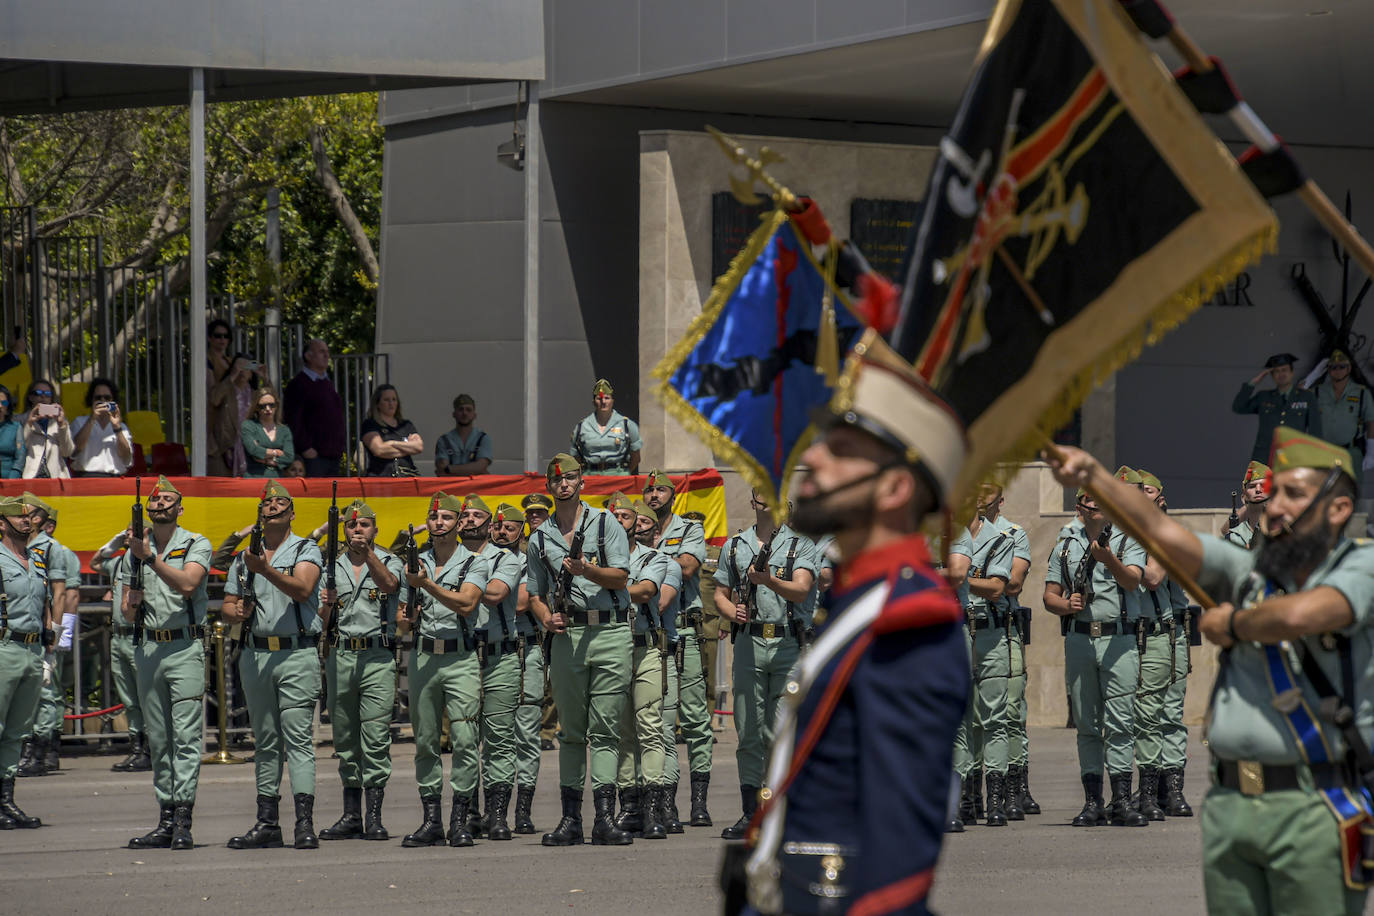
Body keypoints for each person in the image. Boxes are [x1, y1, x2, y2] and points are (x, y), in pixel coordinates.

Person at [1046, 428, 1374, 916]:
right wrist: (1093, 475)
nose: (1275, 506)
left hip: (1314, 807)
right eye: (1274, 493)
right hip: (1233, 806)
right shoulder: (1250, 570)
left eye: (1294, 494)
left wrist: (1237, 622)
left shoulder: (1361, 564)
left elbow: (1307, 614)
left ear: (1339, 508)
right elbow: (1161, 533)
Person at [732, 328, 970, 916]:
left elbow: (898, 870)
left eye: (840, 448)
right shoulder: (860, 602)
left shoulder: (905, 624)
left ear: (894, 487)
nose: (810, 458)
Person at [525, 453, 634, 846]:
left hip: (609, 634)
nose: (564, 485)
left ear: (582, 482)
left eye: (571, 478)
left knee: (605, 729)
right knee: (571, 732)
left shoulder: (606, 523)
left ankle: (604, 818)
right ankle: (571, 819)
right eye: (557, 480)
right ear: (549, 487)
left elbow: (621, 578)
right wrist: (543, 616)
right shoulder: (539, 537)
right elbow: (534, 592)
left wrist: (588, 570)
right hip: (568, 636)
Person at [221, 480, 325, 850]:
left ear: (291, 513)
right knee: (265, 741)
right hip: (256, 653)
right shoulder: (245, 555)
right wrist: (236, 609)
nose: (272, 508)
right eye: (267, 504)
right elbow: (228, 603)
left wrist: (264, 570)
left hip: (296, 653)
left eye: (280, 504)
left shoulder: (306, 549)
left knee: (298, 740)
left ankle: (304, 823)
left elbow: (303, 589)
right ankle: (267, 822)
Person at [1043, 470, 1149, 828]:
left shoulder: (1128, 537)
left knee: (1121, 720)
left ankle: (1122, 800)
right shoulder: (1066, 542)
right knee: (1087, 723)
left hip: (1119, 639)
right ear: (1081, 507)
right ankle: (1093, 801)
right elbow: (1048, 596)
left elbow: (1133, 580)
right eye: (1092, 502)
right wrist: (1064, 605)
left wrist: (1108, 560)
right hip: (1080, 638)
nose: (1098, 507)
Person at [714, 489, 818, 840]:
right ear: (753, 500)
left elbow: (801, 590)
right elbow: (720, 593)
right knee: (748, 731)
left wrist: (769, 580)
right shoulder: (735, 545)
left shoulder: (800, 545)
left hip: (788, 642)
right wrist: (732, 611)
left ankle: (780, 811)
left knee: (781, 731)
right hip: (748, 642)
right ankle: (750, 812)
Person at [122, 477, 212, 850]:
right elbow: (128, 611)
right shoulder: (135, 550)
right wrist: (132, 601)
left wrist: (150, 558)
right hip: (148, 649)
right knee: (158, 739)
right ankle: (165, 816)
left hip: (183, 648)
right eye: (155, 499)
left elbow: (189, 584)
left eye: (168, 499)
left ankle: (184, 821)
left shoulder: (195, 543)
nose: (160, 503)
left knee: (186, 737)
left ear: (180, 507)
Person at [397, 491, 489, 848]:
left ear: (460, 522)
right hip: (423, 656)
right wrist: (405, 616)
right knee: (425, 741)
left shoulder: (473, 562)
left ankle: (461, 819)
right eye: (434, 518)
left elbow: (467, 603)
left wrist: (429, 585)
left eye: (447, 518)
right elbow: (403, 620)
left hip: (460, 657)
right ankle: (431, 819)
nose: (439, 523)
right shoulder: (415, 561)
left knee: (466, 740)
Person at [318, 499, 402, 842]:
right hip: (341, 655)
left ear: (374, 529)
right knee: (346, 737)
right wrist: (326, 605)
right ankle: (352, 814)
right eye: (351, 526)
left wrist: (368, 554)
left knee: (376, 737)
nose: (357, 530)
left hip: (377, 657)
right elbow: (321, 622)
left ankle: (374, 816)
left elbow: (391, 586)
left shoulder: (388, 560)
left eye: (364, 525)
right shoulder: (330, 565)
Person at [642, 469, 712, 829]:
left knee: (697, 720)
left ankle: (699, 802)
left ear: (672, 495)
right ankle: (666, 803)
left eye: (660, 490)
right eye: (649, 491)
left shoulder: (689, 529)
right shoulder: (635, 532)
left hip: (685, 629)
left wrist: (649, 559)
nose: (654, 495)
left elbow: (686, 567)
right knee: (663, 722)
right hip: (655, 633)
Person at [947, 499, 1018, 827]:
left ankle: (996, 801)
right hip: (959, 629)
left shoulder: (1001, 538)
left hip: (989, 635)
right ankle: (965, 798)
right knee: (961, 721)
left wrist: (956, 578)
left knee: (994, 719)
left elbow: (997, 588)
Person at [610, 495, 676, 841]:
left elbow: (648, 591)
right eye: (614, 515)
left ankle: (654, 809)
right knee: (622, 732)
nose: (619, 520)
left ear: (637, 523)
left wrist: (606, 582)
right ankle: (630, 805)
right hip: (613, 649)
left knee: (649, 727)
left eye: (625, 515)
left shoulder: (654, 557)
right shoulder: (599, 560)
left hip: (646, 648)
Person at [459, 493, 521, 840]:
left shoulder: (506, 558)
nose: (469, 521)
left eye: (476, 516)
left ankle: (497, 815)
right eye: (464, 516)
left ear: (489, 524)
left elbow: (495, 593)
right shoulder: (445, 559)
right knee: (465, 738)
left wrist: (455, 584)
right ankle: (469, 811)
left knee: (498, 739)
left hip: (498, 654)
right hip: (462, 654)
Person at [1134, 469, 1194, 820]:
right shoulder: (1127, 534)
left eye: (1148, 491)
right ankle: (1149, 788)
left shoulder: (1167, 534)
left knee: (1171, 713)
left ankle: (1172, 789)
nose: (1142, 495)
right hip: (1140, 633)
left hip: (1169, 632)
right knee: (1146, 715)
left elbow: (1155, 577)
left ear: (1161, 498)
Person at [977, 483, 1038, 816]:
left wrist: (973, 577)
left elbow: (1012, 584)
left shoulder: (1012, 534)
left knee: (1011, 709)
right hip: (974, 629)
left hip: (1005, 628)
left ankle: (1017, 786)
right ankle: (980, 790)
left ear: (999, 501)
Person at [488, 501, 543, 835]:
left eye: (509, 525)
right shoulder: (481, 560)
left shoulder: (528, 561)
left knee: (525, 731)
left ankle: (523, 809)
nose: (502, 530)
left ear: (522, 529)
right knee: (492, 735)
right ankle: (492, 809)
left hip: (523, 650)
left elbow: (522, 602)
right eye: (497, 525)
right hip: (489, 650)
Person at [17, 497, 78, 777]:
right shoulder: (16, 548)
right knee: (31, 691)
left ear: (39, 520)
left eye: (27, 513)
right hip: (23, 629)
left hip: (46, 630)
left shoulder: (53, 549)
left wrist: (59, 630)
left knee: (47, 691)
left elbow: (65, 593)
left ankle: (43, 750)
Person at [0, 495, 51, 830]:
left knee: (17, 732)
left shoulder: (36, 559)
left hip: (32, 652)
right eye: (16, 517)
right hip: (4, 648)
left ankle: (6, 799)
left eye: (28, 517)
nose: (25, 520)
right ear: (2, 523)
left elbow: (44, 602)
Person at [93, 529, 149, 773]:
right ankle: (137, 749)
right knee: (129, 699)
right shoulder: (118, 562)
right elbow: (96, 563)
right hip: (119, 638)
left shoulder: (147, 562)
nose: (128, 535)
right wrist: (112, 543)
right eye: (126, 532)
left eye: (134, 532)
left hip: (140, 636)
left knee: (145, 697)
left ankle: (149, 749)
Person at [522, 492, 560, 753]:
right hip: (529, 617)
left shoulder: (557, 541)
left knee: (553, 675)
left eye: (540, 512)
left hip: (555, 612)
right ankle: (527, 728)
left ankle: (546, 730)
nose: (534, 516)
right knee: (529, 676)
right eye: (531, 513)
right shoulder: (520, 545)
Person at [1232, 353, 1319, 463]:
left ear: (1292, 373)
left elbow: (1315, 432)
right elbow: (1238, 407)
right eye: (1276, 371)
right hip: (1262, 458)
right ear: (1272, 376)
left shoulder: (1306, 397)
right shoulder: (1263, 396)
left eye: (1284, 370)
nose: (1281, 374)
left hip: (1294, 459)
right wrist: (1252, 383)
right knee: (1256, 481)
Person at [284, 339, 346, 478]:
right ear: (308, 356)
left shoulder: (327, 383)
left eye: (327, 352)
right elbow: (293, 420)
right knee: (314, 498)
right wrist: (306, 448)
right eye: (321, 352)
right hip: (314, 458)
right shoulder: (298, 384)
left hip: (333, 456)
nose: (326, 355)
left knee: (332, 498)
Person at [1309, 349, 1373, 474]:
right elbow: (1295, 398)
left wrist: (1371, 451)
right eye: (1333, 367)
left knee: (1350, 491)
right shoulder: (1317, 391)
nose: (1337, 370)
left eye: (1342, 366)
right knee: (1324, 491)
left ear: (1348, 369)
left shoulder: (1361, 392)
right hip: (1323, 451)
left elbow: (1371, 421)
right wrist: (1313, 375)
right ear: (1328, 369)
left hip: (1351, 451)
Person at [569, 379, 641, 476]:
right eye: (599, 398)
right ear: (594, 402)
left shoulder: (627, 425)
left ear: (612, 401)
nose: (603, 402)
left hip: (618, 475)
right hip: (590, 476)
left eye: (607, 398)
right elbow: (575, 457)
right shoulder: (582, 426)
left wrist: (624, 473)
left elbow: (636, 457)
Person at [69, 377, 133, 476]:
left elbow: (126, 457)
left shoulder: (122, 427)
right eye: (98, 398)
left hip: (114, 478)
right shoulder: (79, 422)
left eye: (107, 398)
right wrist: (92, 419)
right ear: (91, 400)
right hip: (86, 477)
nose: (103, 401)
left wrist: (117, 428)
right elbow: (75, 450)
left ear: (113, 400)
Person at [208, 352, 259, 477]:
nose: (242, 371)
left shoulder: (255, 395)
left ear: (252, 373)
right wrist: (232, 375)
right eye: (239, 367)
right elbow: (214, 399)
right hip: (221, 448)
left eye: (247, 368)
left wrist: (266, 378)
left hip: (246, 449)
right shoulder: (225, 388)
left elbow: (273, 408)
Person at [361, 384, 423, 477]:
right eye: (386, 400)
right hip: (381, 477)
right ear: (377, 403)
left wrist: (393, 444)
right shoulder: (370, 424)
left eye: (394, 399)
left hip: (406, 476)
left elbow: (418, 447)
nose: (391, 403)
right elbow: (379, 450)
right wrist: (408, 448)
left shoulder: (406, 425)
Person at [20, 379, 72, 479]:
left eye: (48, 394)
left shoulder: (60, 422)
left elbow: (67, 452)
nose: (43, 397)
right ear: (31, 397)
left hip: (55, 477)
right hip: (30, 477)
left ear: (52, 398)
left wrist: (62, 425)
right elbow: (19, 449)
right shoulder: (21, 420)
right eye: (38, 393)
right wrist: (29, 423)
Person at [240, 386, 295, 478]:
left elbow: (289, 457)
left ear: (276, 405)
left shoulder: (284, 430)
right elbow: (253, 450)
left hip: (277, 482)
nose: (268, 408)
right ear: (256, 407)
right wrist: (276, 452)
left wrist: (266, 460)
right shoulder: (248, 425)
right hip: (253, 479)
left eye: (271, 405)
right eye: (263, 406)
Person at [434, 394, 493, 477]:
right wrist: (474, 469)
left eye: (468, 410)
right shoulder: (443, 440)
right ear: (454, 414)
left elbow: (481, 466)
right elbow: (441, 468)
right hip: (451, 487)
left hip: (477, 488)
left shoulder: (483, 438)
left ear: (474, 415)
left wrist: (449, 469)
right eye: (461, 409)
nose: (464, 413)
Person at [1225, 461, 1269, 549]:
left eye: (1263, 486)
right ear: (1243, 498)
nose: (1258, 490)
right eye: (1252, 486)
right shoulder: (1234, 538)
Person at [0, 385, 23, 478]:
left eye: (4, 402)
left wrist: (12, 479)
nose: (0, 406)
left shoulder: (16, 427)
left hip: (9, 480)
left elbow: (20, 458)